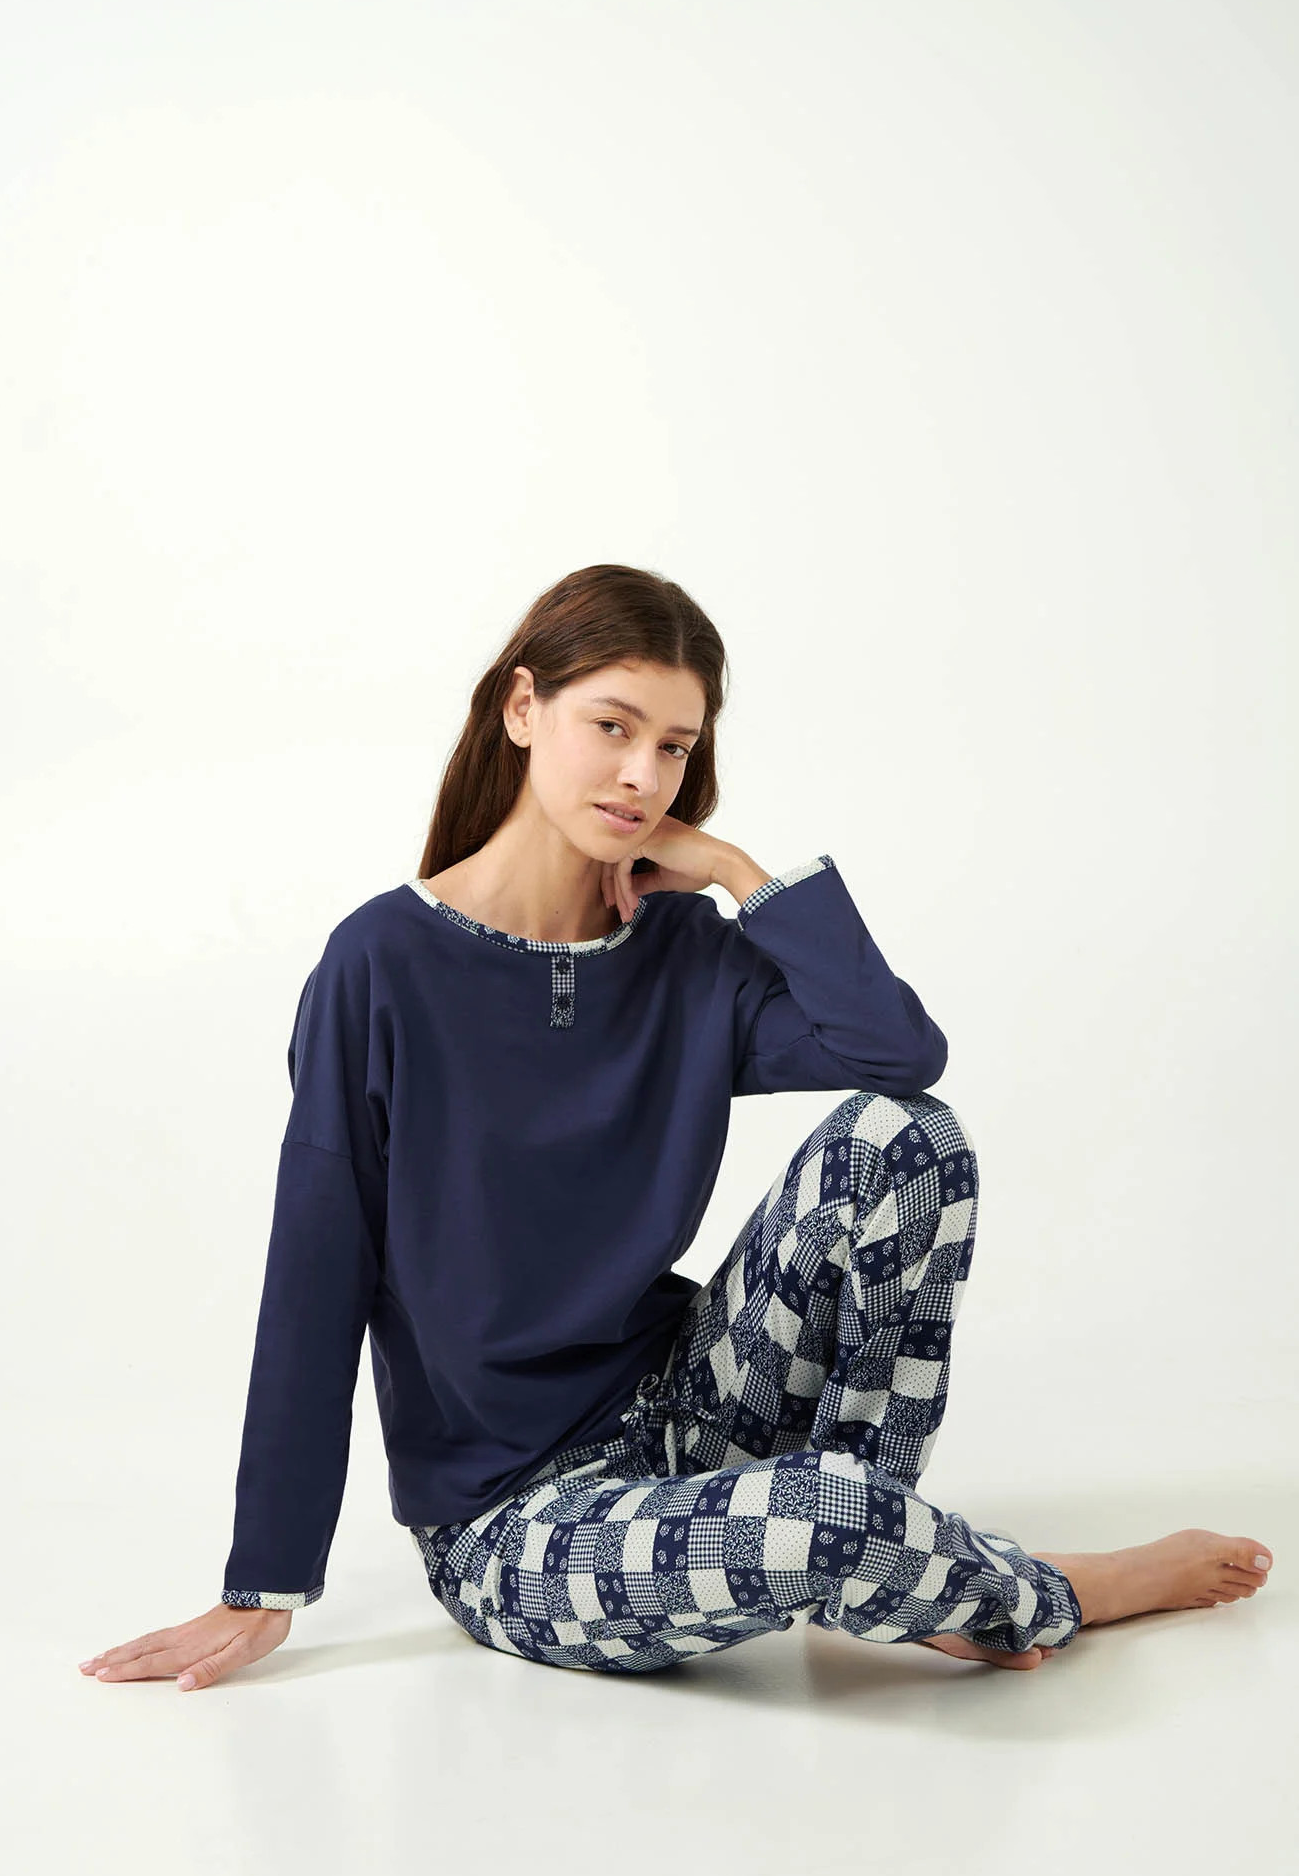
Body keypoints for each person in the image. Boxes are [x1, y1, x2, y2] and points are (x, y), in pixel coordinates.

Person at [78, 564, 1273, 1692]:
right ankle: (1020, 1581)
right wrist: (264, 1581)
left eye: (674, 745)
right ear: (522, 709)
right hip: (516, 1524)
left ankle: (885, 1561)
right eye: (612, 725)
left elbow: (898, 1058)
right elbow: (315, 1267)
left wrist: (733, 870)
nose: (641, 773)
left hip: (693, 1409)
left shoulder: (687, 954)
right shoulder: (381, 963)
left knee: (909, 1141)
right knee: (816, 1516)